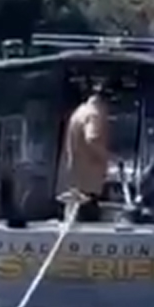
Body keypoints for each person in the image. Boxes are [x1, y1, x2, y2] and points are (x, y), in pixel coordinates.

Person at [60, 82, 111, 222]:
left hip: (76, 181)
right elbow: (92, 139)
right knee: (89, 220)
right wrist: (106, 158)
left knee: (73, 218)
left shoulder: (80, 112)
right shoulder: (95, 114)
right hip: (89, 185)